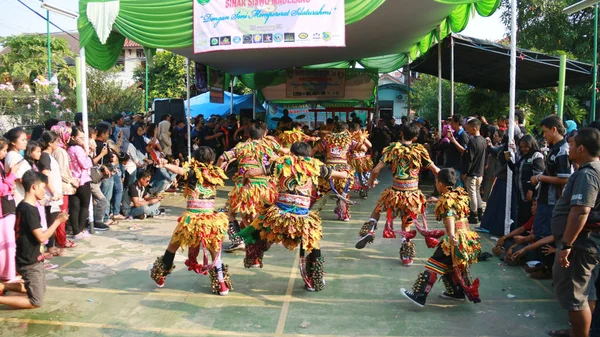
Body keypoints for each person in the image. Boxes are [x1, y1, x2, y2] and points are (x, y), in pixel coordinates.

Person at [237, 142, 348, 291]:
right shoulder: (315, 166)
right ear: (309, 155)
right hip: (302, 218)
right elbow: (342, 175)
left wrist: (244, 182)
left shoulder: (280, 165)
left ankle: (255, 256)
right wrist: (346, 171)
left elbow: (250, 173)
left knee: (258, 224)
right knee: (313, 242)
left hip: (279, 216)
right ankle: (316, 279)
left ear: (291, 153)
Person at [149, 147, 232, 295]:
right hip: (209, 220)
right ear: (211, 161)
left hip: (192, 219)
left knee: (173, 247)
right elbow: (220, 166)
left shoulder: (193, 172)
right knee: (214, 251)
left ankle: (161, 276)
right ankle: (222, 284)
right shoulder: (215, 173)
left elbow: (179, 170)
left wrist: (165, 164)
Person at [356, 122, 440, 267]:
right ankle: (407, 256)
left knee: (378, 209)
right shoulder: (420, 151)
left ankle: (370, 229)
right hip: (412, 194)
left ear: (401, 133)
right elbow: (435, 170)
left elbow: (376, 170)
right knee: (406, 224)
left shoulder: (392, 150)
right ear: (415, 138)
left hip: (395, 191)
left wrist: (370, 182)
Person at [401, 168, 481, 307]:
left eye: (436, 182)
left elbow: (450, 216)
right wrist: (436, 200)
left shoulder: (445, 200)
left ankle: (419, 296)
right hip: (466, 237)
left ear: (441, 184)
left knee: (433, 265)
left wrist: (450, 236)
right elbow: (453, 207)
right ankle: (456, 292)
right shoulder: (459, 194)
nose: (436, 184)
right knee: (449, 266)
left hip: (454, 238)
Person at [551, 128, 600, 337]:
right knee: (585, 290)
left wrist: (567, 245)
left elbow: (581, 210)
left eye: (571, 144)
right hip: (587, 243)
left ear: (581, 148)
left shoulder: (588, 174)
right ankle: (578, 331)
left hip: (580, 244)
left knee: (575, 294)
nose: (568, 147)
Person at [0, 170, 69, 309]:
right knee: (36, 301)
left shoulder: (23, 206)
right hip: (29, 261)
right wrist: (57, 221)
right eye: (43, 187)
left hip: (29, 256)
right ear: (34, 187)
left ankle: (3, 285)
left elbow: (29, 235)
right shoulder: (29, 210)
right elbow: (41, 237)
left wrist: (43, 252)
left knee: (35, 288)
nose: (45, 191)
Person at [216, 126, 279, 254]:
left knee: (228, 213)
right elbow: (278, 162)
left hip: (245, 186)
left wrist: (217, 172)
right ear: (262, 137)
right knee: (257, 216)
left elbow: (222, 157)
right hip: (265, 188)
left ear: (248, 136)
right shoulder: (268, 148)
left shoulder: (241, 147)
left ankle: (239, 240)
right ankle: (262, 239)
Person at [531, 115, 571, 249]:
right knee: (539, 231)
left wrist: (540, 178)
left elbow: (565, 178)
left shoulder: (563, 150)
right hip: (545, 199)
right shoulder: (554, 148)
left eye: (545, 131)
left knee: (547, 233)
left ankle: (544, 266)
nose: (544, 135)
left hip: (553, 200)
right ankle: (538, 263)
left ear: (554, 129)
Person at [312, 123, 356, 222]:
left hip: (328, 170)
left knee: (320, 190)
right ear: (346, 130)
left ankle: (310, 210)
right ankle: (344, 215)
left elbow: (314, 149)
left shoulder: (327, 140)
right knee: (344, 191)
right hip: (343, 170)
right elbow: (364, 148)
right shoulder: (349, 141)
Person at [506, 135, 545, 227]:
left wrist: (531, 190)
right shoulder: (523, 157)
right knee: (521, 214)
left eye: (526, 146)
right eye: (522, 147)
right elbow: (516, 170)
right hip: (521, 191)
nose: (524, 149)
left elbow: (538, 173)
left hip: (531, 192)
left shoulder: (537, 156)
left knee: (529, 214)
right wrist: (508, 160)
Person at [50, 123, 78, 249]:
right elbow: (62, 171)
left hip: (59, 185)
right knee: (62, 214)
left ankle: (59, 239)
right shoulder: (60, 151)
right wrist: (72, 181)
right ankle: (61, 240)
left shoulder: (58, 149)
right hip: (62, 186)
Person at [0, 137, 21, 282]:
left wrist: (9, 187)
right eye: (4, 150)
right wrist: (12, 175)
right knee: (6, 244)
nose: (5, 153)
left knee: (9, 242)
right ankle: (6, 274)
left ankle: (8, 272)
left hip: (6, 207)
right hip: (3, 210)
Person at [67, 127, 93, 240]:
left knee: (74, 207)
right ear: (73, 137)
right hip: (82, 180)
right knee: (84, 206)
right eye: (80, 137)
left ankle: (76, 230)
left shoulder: (68, 149)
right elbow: (85, 164)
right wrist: (87, 153)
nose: (83, 140)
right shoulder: (78, 149)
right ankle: (80, 229)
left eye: (84, 138)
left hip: (73, 180)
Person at [462, 118, 487, 224]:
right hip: (480, 172)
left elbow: (469, 159)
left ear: (475, 128)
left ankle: (474, 214)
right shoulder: (483, 140)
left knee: (472, 194)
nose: (467, 129)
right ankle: (480, 211)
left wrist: (465, 172)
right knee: (476, 192)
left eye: (469, 127)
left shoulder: (473, 141)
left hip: (472, 173)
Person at [441, 114, 470, 187]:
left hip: (457, 166)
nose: (451, 124)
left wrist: (454, 141)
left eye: (452, 122)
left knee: (456, 188)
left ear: (457, 123)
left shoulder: (463, 135)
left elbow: (464, 151)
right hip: (451, 164)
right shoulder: (455, 133)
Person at [348, 123, 373, 199]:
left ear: (351, 129)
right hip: (362, 159)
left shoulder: (349, 137)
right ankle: (364, 190)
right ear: (359, 129)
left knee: (356, 176)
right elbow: (370, 145)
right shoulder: (362, 137)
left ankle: (360, 190)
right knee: (363, 175)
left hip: (353, 160)